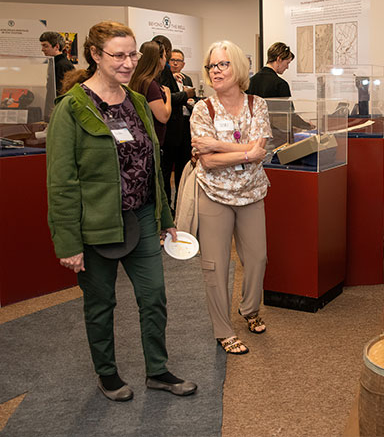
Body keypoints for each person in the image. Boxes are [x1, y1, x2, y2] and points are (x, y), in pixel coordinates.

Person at [46, 21, 196, 402]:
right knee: (101, 303)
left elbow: (152, 163)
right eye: (119, 55)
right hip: (96, 223)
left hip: (143, 216)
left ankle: (158, 370)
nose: (129, 63)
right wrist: (68, 242)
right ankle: (107, 373)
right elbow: (61, 183)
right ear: (95, 55)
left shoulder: (137, 101)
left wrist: (164, 219)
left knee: (154, 296)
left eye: (132, 54)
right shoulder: (72, 108)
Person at [190, 40, 271, 355]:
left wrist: (219, 146)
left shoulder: (257, 104)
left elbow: (260, 150)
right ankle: (223, 330)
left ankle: (249, 310)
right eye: (211, 66)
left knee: (257, 258)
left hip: (252, 193)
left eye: (222, 64)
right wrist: (246, 151)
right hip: (214, 195)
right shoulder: (202, 108)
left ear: (237, 66)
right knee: (215, 265)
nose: (216, 71)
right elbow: (206, 161)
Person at [152, 35, 196, 209]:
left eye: (178, 60)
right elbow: (165, 100)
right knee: (164, 173)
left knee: (181, 171)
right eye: (170, 59)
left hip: (182, 131)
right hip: (168, 132)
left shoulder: (184, 78)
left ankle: (179, 206)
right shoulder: (160, 76)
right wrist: (186, 95)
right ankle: (168, 209)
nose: (173, 63)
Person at [128, 41, 171, 144]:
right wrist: (168, 95)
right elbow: (163, 117)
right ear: (158, 59)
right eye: (164, 56)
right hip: (151, 140)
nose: (165, 59)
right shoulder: (150, 84)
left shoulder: (138, 79)